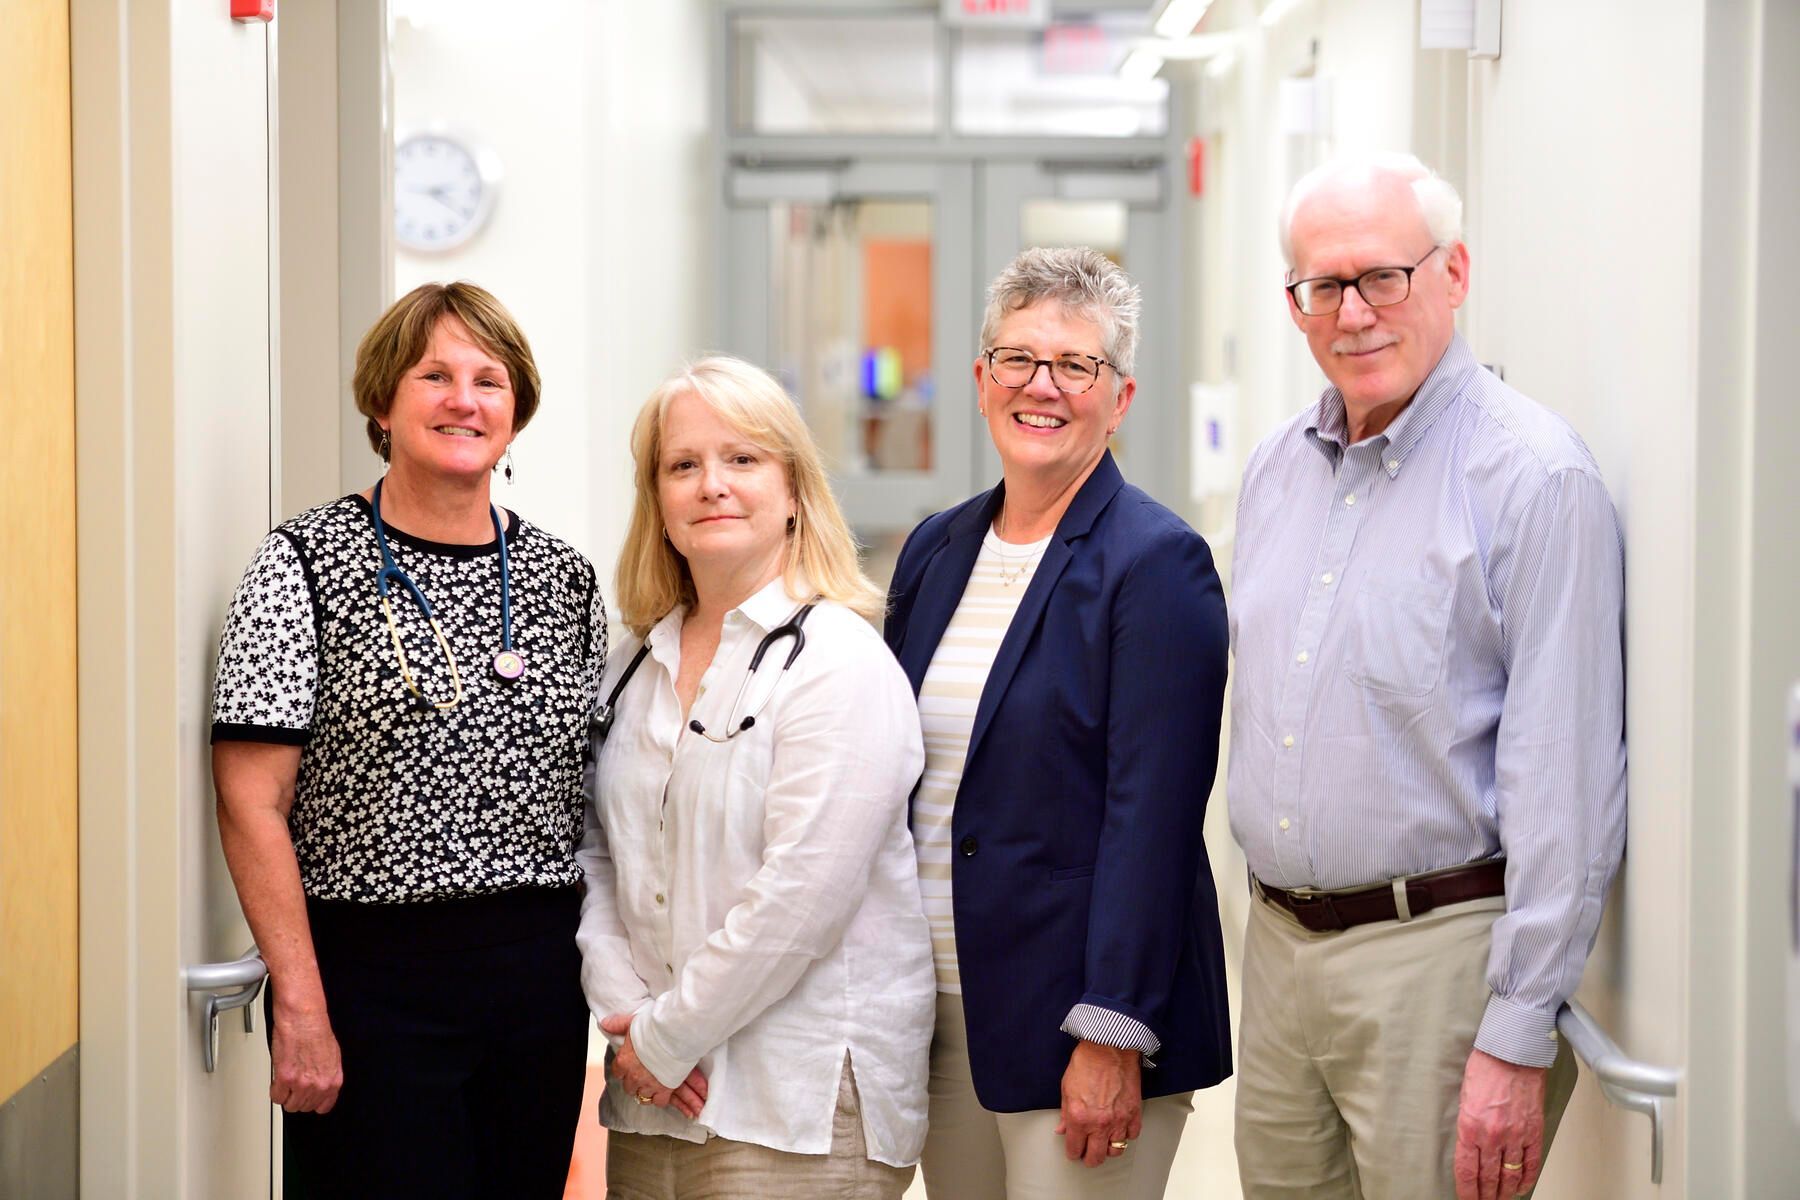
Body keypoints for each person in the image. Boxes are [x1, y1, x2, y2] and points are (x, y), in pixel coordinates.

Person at [1228, 152, 1627, 1200]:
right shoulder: (1274, 470)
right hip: (1275, 956)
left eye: (1382, 277)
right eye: (1324, 286)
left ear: (1453, 272)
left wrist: (1516, 1029)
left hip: (1439, 967)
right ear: (1294, 304)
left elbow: (1567, 780)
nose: (1352, 312)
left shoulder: (1535, 479)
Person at [210, 282, 604, 1197]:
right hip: (369, 982)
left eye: (489, 380)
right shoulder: (302, 563)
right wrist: (301, 1004)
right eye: (435, 375)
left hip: (538, 984)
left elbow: (594, 798)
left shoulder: (563, 578)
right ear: (383, 404)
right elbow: (250, 800)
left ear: (517, 412)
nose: (464, 399)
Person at [883, 246, 1232, 1199]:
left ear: (1118, 399)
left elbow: (1152, 820)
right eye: (1019, 359)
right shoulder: (939, 547)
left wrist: (1112, 1031)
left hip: (1082, 1020)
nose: (1043, 386)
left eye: (1075, 365)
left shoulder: (1157, 563)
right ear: (981, 378)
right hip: (948, 1011)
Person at [577, 355, 933, 1198]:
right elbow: (593, 854)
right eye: (683, 465)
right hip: (650, 1102)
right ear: (658, 501)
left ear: (794, 491)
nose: (712, 485)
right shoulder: (633, 663)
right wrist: (626, 1018)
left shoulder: (840, 662)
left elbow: (802, 894)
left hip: (796, 1108)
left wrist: (661, 1042)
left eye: (743, 460)